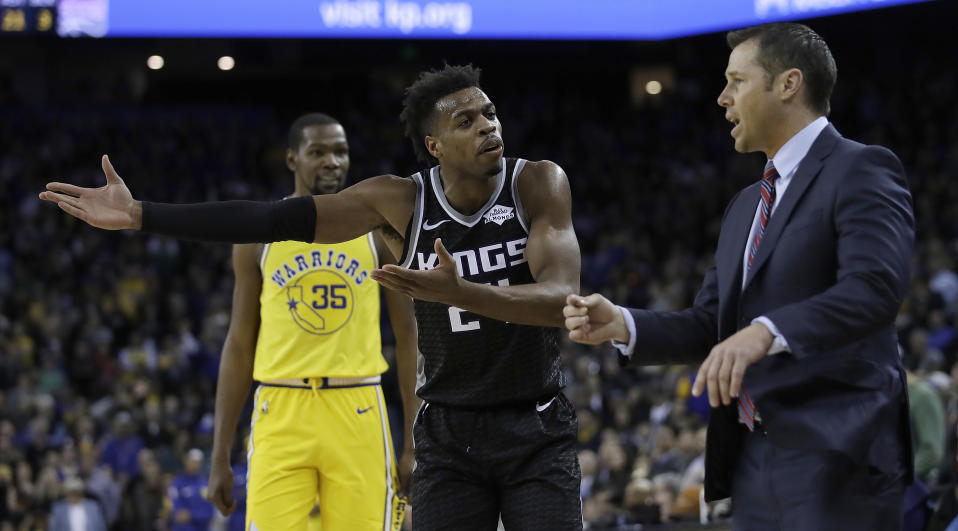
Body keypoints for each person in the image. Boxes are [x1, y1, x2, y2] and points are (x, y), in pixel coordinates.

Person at [39, 64, 583, 530]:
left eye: (489, 113)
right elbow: (268, 218)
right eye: (466, 120)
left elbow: (561, 298)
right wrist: (141, 215)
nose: (487, 126)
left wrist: (462, 292)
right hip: (443, 428)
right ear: (434, 145)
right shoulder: (396, 202)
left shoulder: (537, 183)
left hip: (530, 421)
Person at [563, 23, 914, 530]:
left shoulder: (862, 169)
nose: (722, 98)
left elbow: (874, 289)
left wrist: (766, 332)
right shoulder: (746, 205)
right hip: (752, 458)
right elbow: (712, 326)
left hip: (841, 455)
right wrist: (623, 323)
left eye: (737, 81)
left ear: (788, 83)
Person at [204, 112, 419, 531]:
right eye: (317, 152)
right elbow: (239, 343)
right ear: (292, 160)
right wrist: (219, 455)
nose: (331, 162)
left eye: (340, 152)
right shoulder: (258, 234)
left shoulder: (378, 232)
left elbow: (409, 336)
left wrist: (414, 439)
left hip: (357, 406)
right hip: (279, 408)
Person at [168, 448, 214, 531]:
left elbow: (209, 512)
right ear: (186, 461)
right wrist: (179, 514)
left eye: (197, 463)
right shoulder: (177, 483)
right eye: (192, 461)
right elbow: (174, 508)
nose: (195, 465)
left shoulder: (205, 484)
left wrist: (191, 515)